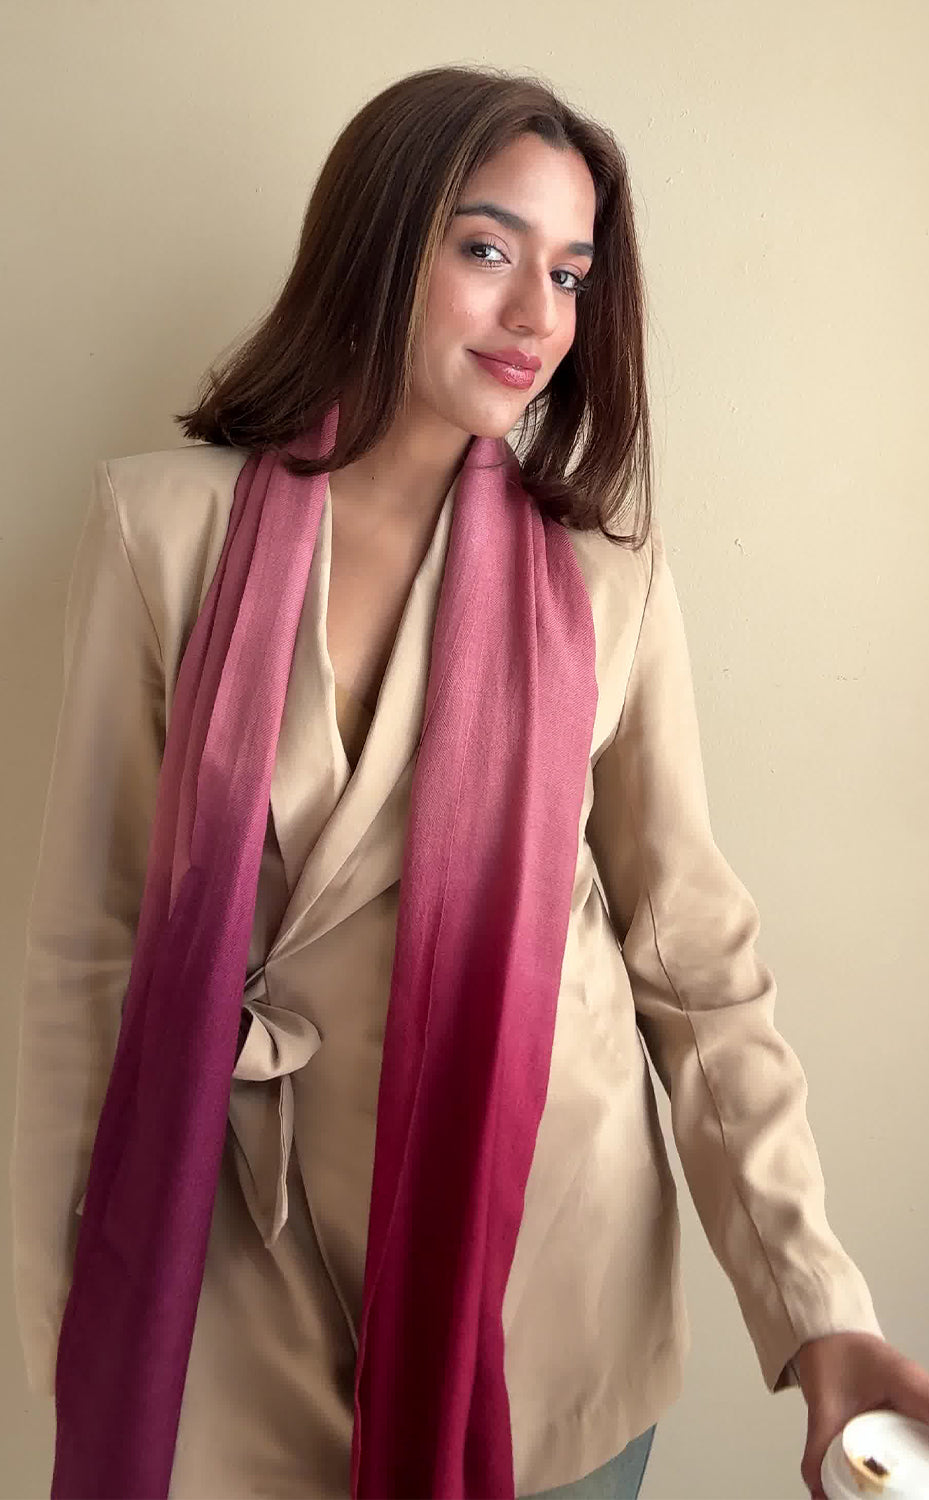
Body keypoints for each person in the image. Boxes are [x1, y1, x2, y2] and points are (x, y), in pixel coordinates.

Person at [10, 63, 929, 1500]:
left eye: (569, 274)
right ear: (379, 242)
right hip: (227, 1275)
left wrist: (817, 1307)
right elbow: (89, 948)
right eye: (488, 249)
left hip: (540, 1279)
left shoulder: (607, 582)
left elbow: (694, 965)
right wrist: (67, 1312)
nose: (536, 317)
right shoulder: (161, 530)